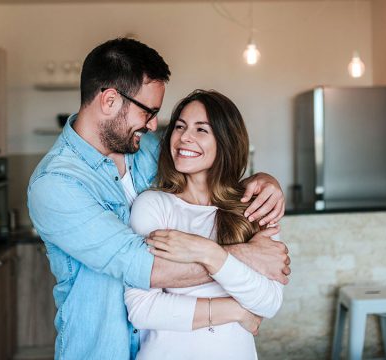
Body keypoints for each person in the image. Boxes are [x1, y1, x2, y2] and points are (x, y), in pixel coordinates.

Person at [27, 38, 289, 360]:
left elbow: (208, 162)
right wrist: (246, 257)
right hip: (103, 350)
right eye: (148, 112)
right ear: (110, 101)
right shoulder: (56, 184)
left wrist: (263, 181)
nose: (153, 125)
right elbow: (144, 267)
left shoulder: (145, 148)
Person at [125, 90, 284, 360]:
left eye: (201, 130)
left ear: (226, 142)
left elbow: (269, 302)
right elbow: (142, 309)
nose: (185, 137)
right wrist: (238, 311)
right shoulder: (153, 205)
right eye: (179, 126)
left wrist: (207, 252)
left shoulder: (253, 207)